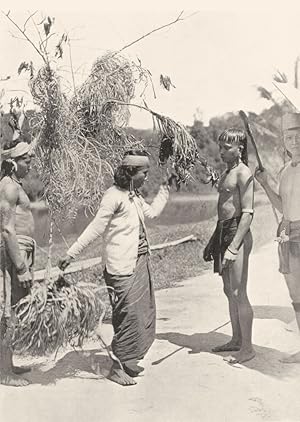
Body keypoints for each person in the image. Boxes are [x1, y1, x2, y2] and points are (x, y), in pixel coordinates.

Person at [59, 149, 175, 386]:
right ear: (131, 172)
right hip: (120, 266)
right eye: (144, 172)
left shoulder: (133, 196)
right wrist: (71, 253)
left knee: (141, 313)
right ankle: (116, 366)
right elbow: (95, 228)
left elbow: (151, 214)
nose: (146, 176)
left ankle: (128, 360)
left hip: (139, 262)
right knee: (126, 315)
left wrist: (164, 189)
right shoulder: (113, 196)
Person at [203, 128, 255, 364]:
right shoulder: (228, 171)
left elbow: (247, 213)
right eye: (221, 146)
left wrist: (234, 247)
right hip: (223, 230)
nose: (221, 151)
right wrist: (217, 239)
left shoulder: (244, 173)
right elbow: (225, 204)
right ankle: (235, 339)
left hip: (237, 232)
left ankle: (247, 348)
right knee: (228, 290)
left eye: (227, 148)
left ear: (240, 148)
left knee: (238, 291)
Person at [255, 112, 300, 363]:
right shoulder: (284, 171)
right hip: (288, 233)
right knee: (296, 296)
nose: (294, 141)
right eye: (289, 137)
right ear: (284, 141)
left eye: (298, 136)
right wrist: (264, 183)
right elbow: (283, 206)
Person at [0, 140, 35, 386]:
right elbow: (7, 230)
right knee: (7, 308)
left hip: (22, 250)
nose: (30, 162)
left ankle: (8, 363)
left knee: (15, 307)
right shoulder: (8, 187)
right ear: (13, 163)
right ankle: (3, 372)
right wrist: (21, 266)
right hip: (14, 253)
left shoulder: (15, 185)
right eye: (26, 159)